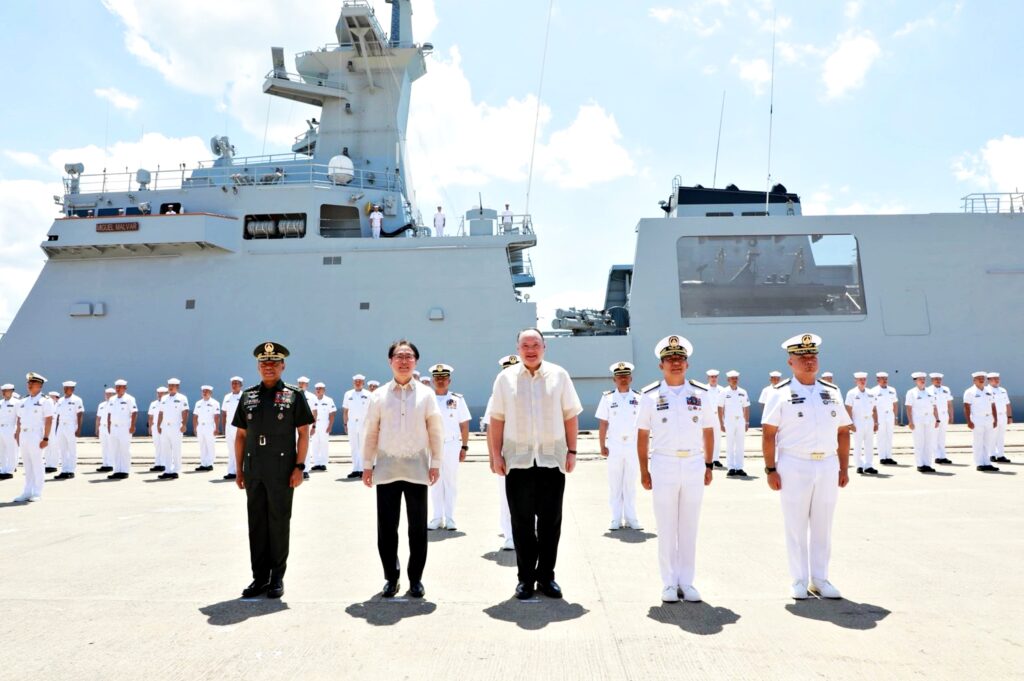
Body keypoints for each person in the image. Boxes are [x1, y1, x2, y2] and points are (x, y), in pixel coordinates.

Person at [489, 329, 582, 600]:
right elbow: (496, 419)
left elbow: (570, 415)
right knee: (521, 524)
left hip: (551, 460)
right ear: (518, 349)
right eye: (525, 345)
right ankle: (525, 579)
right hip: (517, 462)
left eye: (535, 344)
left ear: (545, 347)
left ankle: (546, 577)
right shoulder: (505, 379)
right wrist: (496, 455)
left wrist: (573, 451)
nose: (530, 349)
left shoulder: (559, 376)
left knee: (550, 523)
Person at [761, 333, 852, 600]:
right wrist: (770, 469)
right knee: (796, 525)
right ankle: (799, 580)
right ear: (791, 362)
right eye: (803, 358)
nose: (809, 362)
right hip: (794, 463)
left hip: (827, 464)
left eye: (813, 356)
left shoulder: (832, 391)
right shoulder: (780, 393)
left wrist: (844, 469)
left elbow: (843, 432)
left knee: (823, 524)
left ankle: (821, 579)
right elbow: (768, 434)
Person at [362, 340, 443, 599]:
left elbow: (435, 430)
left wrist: (436, 463)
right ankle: (391, 578)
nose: (404, 361)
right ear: (390, 361)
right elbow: (370, 432)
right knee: (387, 529)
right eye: (399, 356)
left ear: (416, 361)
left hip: (417, 469)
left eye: (409, 356)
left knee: (417, 529)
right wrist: (366, 465)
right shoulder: (378, 395)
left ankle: (416, 579)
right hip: (386, 469)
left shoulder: (426, 394)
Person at [233, 341, 314, 599]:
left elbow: (303, 433)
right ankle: (259, 578)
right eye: (264, 363)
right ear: (258, 367)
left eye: (274, 363)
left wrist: (299, 466)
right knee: (256, 524)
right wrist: (239, 469)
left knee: (278, 523)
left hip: (281, 469)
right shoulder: (248, 396)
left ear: (283, 366)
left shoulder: (294, 395)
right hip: (254, 468)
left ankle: (277, 578)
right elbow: (241, 436)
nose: (269, 368)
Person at [637, 336, 716, 603]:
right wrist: (644, 471)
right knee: (667, 526)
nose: (675, 363)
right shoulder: (649, 395)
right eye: (670, 359)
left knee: (689, 525)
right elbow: (642, 435)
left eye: (680, 359)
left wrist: (708, 464)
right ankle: (669, 583)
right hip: (664, 463)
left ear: (687, 363)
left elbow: (708, 430)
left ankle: (688, 582)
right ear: (661, 365)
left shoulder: (701, 393)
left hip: (694, 463)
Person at [595, 361, 643, 530]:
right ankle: (615, 518)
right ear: (614, 379)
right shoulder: (607, 398)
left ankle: (632, 518)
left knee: (630, 483)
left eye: (625, 376)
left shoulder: (639, 398)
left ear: (631, 378)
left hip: (633, 446)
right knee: (615, 484)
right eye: (619, 376)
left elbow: (644, 425)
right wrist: (602, 445)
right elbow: (603, 423)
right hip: (614, 446)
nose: (623, 379)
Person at [426, 363, 471, 531]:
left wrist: (464, 447)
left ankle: (450, 518)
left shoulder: (457, 399)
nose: (440, 381)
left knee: (450, 481)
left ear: (449, 381)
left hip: (452, 444)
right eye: (437, 378)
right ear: (432, 380)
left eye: (444, 378)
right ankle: (437, 517)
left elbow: (464, 424)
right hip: (432, 445)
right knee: (434, 481)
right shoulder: (427, 399)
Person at [483, 354, 520, 551]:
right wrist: (493, 456)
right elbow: (490, 427)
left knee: (531, 496)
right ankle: (509, 535)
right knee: (507, 496)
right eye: (506, 370)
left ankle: (528, 533)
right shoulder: (496, 396)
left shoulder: (530, 391)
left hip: (528, 452)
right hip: (506, 452)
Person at [13, 372, 54, 502]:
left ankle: (37, 492)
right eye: (28, 383)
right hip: (24, 435)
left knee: (37, 463)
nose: (29, 385)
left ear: (40, 385)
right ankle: (27, 491)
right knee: (27, 464)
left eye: (32, 383)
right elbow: (20, 419)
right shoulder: (23, 401)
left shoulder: (45, 401)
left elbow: (49, 420)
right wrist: (18, 434)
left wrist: (46, 438)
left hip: (36, 434)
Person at [844, 372, 878, 475]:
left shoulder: (871, 392)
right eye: (860, 380)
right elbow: (848, 409)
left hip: (869, 421)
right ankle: (859, 465)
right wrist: (850, 423)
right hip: (857, 421)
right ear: (856, 381)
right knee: (858, 444)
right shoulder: (851, 393)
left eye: (864, 379)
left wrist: (876, 422)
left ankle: (868, 465)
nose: (862, 381)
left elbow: (874, 409)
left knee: (869, 444)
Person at [964, 371, 998, 472]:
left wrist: (995, 419)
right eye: (979, 378)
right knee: (978, 442)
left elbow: (993, 405)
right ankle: (979, 463)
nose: (981, 379)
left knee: (988, 441)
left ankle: (987, 462)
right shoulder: (969, 392)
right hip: (977, 419)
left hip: (988, 419)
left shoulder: (988, 390)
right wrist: (969, 421)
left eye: (983, 378)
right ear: (974, 380)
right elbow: (966, 407)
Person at [905, 372, 939, 473]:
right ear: (915, 380)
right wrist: (910, 421)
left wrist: (937, 419)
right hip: (918, 420)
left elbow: (934, 406)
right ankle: (920, 464)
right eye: (920, 379)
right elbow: (908, 408)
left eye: (924, 378)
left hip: (929, 420)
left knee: (929, 442)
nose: (922, 380)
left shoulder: (930, 392)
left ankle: (928, 464)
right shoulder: (911, 393)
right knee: (919, 442)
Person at [719, 370, 750, 477]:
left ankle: (739, 467)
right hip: (729, 421)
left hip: (740, 420)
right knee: (730, 444)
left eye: (736, 378)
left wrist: (746, 422)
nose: (734, 380)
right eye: (732, 378)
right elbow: (720, 407)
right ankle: (731, 467)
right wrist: (721, 423)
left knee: (740, 444)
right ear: (728, 380)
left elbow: (746, 407)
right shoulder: (724, 392)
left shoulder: (743, 391)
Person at [157, 379, 189, 480]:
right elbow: (161, 412)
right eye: (169, 385)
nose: (170, 387)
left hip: (176, 427)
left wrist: (184, 424)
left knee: (176, 448)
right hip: (165, 426)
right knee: (165, 449)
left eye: (173, 385)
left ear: (178, 387)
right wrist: (159, 425)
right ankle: (167, 470)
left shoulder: (182, 398)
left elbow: (185, 412)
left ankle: (176, 470)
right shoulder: (164, 398)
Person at [106, 379, 138, 480]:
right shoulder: (112, 399)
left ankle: (124, 471)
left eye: (120, 387)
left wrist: (132, 426)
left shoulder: (129, 399)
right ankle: (117, 470)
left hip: (125, 427)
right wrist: (108, 426)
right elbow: (109, 414)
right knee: (115, 449)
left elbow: (134, 412)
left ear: (125, 388)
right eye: (117, 387)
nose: (118, 389)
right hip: (114, 427)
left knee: (124, 449)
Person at [54, 381, 84, 479]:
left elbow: (79, 414)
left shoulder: (77, 400)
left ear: (73, 389)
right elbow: (57, 415)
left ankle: (71, 470)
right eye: (65, 388)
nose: (66, 390)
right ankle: (64, 470)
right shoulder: (60, 400)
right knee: (62, 449)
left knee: (71, 449)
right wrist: (57, 428)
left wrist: (79, 428)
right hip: (61, 426)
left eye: (68, 388)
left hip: (71, 426)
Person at [342, 374, 371, 479]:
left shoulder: (368, 394)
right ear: (353, 383)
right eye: (356, 381)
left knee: (363, 447)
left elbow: (371, 411)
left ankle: (363, 469)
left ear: (363, 383)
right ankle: (355, 469)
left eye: (360, 381)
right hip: (352, 424)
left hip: (364, 424)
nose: (358, 383)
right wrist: (345, 424)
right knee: (354, 446)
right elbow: (345, 410)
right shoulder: (348, 394)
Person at [871, 372, 899, 465]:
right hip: (880, 416)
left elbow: (895, 404)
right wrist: (874, 420)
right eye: (882, 378)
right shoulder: (873, 391)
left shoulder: (892, 390)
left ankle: (889, 456)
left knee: (889, 436)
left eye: (886, 378)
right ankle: (882, 457)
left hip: (890, 415)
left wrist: (895, 416)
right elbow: (873, 406)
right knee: (881, 436)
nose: (884, 380)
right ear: (878, 380)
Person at [309, 382, 337, 472]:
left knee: (324, 444)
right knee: (315, 443)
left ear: (324, 390)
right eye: (317, 388)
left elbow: (332, 413)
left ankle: (323, 463)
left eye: (320, 388)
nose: (318, 390)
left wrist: (330, 425)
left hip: (324, 424)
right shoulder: (311, 399)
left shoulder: (329, 400)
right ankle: (316, 463)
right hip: (313, 424)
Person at [928, 373, 955, 464]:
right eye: (936, 379)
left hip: (944, 416)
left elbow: (949, 403)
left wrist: (951, 415)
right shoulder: (928, 390)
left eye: (939, 379)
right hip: (934, 416)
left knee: (942, 437)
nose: (938, 380)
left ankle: (943, 456)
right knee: (934, 436)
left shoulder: (946, 389)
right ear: (932, 380)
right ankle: (936, 456)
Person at [193, 385, 221, 472]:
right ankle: (203, 463)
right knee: (202, 445)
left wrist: (216, 428)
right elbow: (195, 416)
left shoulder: (215, 403)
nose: (204, 393)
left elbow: (216, 416)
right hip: (200, 426)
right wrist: (195, 427)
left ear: (210, 393)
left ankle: (210, 463)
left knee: (210, 445)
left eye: (207, 391)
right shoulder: (198, 403)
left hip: (210, 426)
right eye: (203, 391)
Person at [221, 378, 244, 480]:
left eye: (236, 383)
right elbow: (224, 413)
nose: (234, 385)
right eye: (232, 383)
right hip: (229, 427)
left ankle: (242, 471)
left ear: (241, 385)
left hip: (240, 427)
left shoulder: (244, 396)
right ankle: (231, 471)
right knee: (231, 450)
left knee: (241, 449)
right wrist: (222, 427)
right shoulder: (227, 397)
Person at [988, 373, 1013, 463]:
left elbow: (1007, 404)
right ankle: (991, 454)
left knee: (1001, 436)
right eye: (995, 379)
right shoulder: (987, 390)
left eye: (998, 378)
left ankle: (1001, 455)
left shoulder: (1003, 390)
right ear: (989, 380)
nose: (997, 380)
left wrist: (1009, 416)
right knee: (992, 436)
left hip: (1003, 416)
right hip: (993, 416)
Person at [704, 370, 725, 468]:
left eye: (715, 377)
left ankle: (715, 459)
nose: (713, 379)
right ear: (708, 378)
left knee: (717, 437)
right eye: (711, 377)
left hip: (718, 416)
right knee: (705, 437)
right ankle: (706, 458)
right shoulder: (703, 389)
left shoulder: (722, 390)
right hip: (706, 416)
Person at [0, 383, 19, 480]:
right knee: (2, 451)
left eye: (5, 391)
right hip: (1, 428)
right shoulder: (0, 403)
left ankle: (9, 470)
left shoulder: (16, 403)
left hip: (11, 428)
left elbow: (20, 417)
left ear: (11, 391)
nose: (3, 393)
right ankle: (2, 469)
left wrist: (18, 431)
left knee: (11, 450)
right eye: (2, 391)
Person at [148, 387, 168, 473]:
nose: (159, 395)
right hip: (155, 427)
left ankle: (164, 464)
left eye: (161, 393)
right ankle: (158, 463)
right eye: (158, 393)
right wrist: (150, 427)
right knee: (157, 445)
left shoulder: (167, 403)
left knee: (164, 445)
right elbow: (150, 416)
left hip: (164, 427)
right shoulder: (153, 404)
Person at [95, 388, 115, 473]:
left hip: (110, 427)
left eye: (109, 394)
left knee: (111, 446)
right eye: (106, 394)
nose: (107, 395)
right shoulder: (101, 405)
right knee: (104, 447)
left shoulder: (115, 404)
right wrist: (97, 428)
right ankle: (105, 464)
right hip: (102, 427)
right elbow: (98, 417)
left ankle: (111, 464)